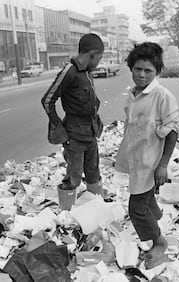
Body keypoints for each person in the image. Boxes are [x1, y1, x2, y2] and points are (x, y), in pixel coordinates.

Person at [115, 42, 179, 269]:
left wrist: (163, 165)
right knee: (146, 196)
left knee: (136, 208)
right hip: (136, 159)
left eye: (148, 71)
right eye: (137, 69)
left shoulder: (162, 96)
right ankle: (158, 217)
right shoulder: (133, 95)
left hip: (151, 162)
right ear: (131, 68)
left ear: (157, 72)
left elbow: (172, 132)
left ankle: (159, 241)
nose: (141, 75)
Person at [41, 33, 105, 195]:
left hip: (90, 132)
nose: (98, 63)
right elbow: (48, 100)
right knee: (73, 177)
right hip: (74, 135)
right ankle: (67, 215)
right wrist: (58, 127)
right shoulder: (69, 71)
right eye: (99, 58)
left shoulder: (87, 72)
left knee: (93, 173)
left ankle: (96, 207)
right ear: (92, 54)